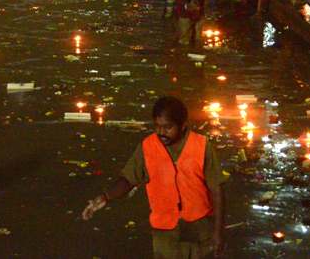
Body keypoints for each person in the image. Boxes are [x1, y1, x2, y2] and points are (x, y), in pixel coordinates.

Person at [82, 96, 225, 259]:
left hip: (200, 228)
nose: (161, 132)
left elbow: (217, 191)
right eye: (157, 126)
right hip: (165, 230)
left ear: (183, 124)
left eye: (167, 127)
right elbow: (129, 179)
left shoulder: (202, 146)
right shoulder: (148, 147)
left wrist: (218, 232)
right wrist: (106, 196)